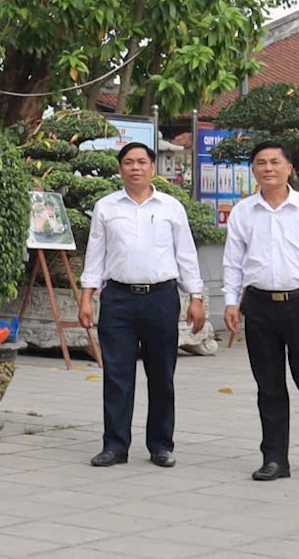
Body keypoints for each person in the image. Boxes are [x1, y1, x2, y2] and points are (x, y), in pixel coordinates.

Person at [77, 141, 206, 468]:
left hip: (161, 298)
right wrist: (86, 298)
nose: (135, 167)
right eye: (129, 162)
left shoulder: (171, 208)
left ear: (152, 167)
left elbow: (186, 255)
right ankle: (115, 445)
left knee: (161, 374)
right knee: (117, 375)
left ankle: (161, 445)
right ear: (120, 168)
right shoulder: (106, 207)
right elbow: (95, 256)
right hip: (118, 299)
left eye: (141, 162)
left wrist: (196, 297)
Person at [222, 143, 299, 479]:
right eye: (261, 163)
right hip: (259, 305)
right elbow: (233, 261)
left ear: (290, 168)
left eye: (275, 162)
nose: (268, 168)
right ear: (253, 170)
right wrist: (231, 301)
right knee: (269, 386)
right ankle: (274, 459)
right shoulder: (243, 212)